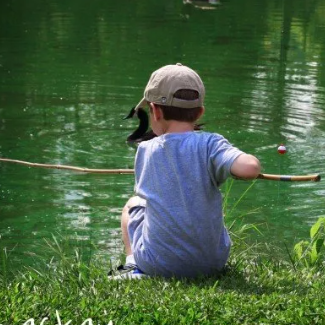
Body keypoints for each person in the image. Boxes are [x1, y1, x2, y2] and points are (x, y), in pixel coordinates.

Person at [111, 63, 262, 279]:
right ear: (200, 112)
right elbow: (250, 168)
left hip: (158, 265)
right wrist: (232, 168)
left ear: (155, 111)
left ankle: (133, 263)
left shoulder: (145, 149)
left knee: (133, 205)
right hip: (212, 263)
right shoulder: (211, 144)